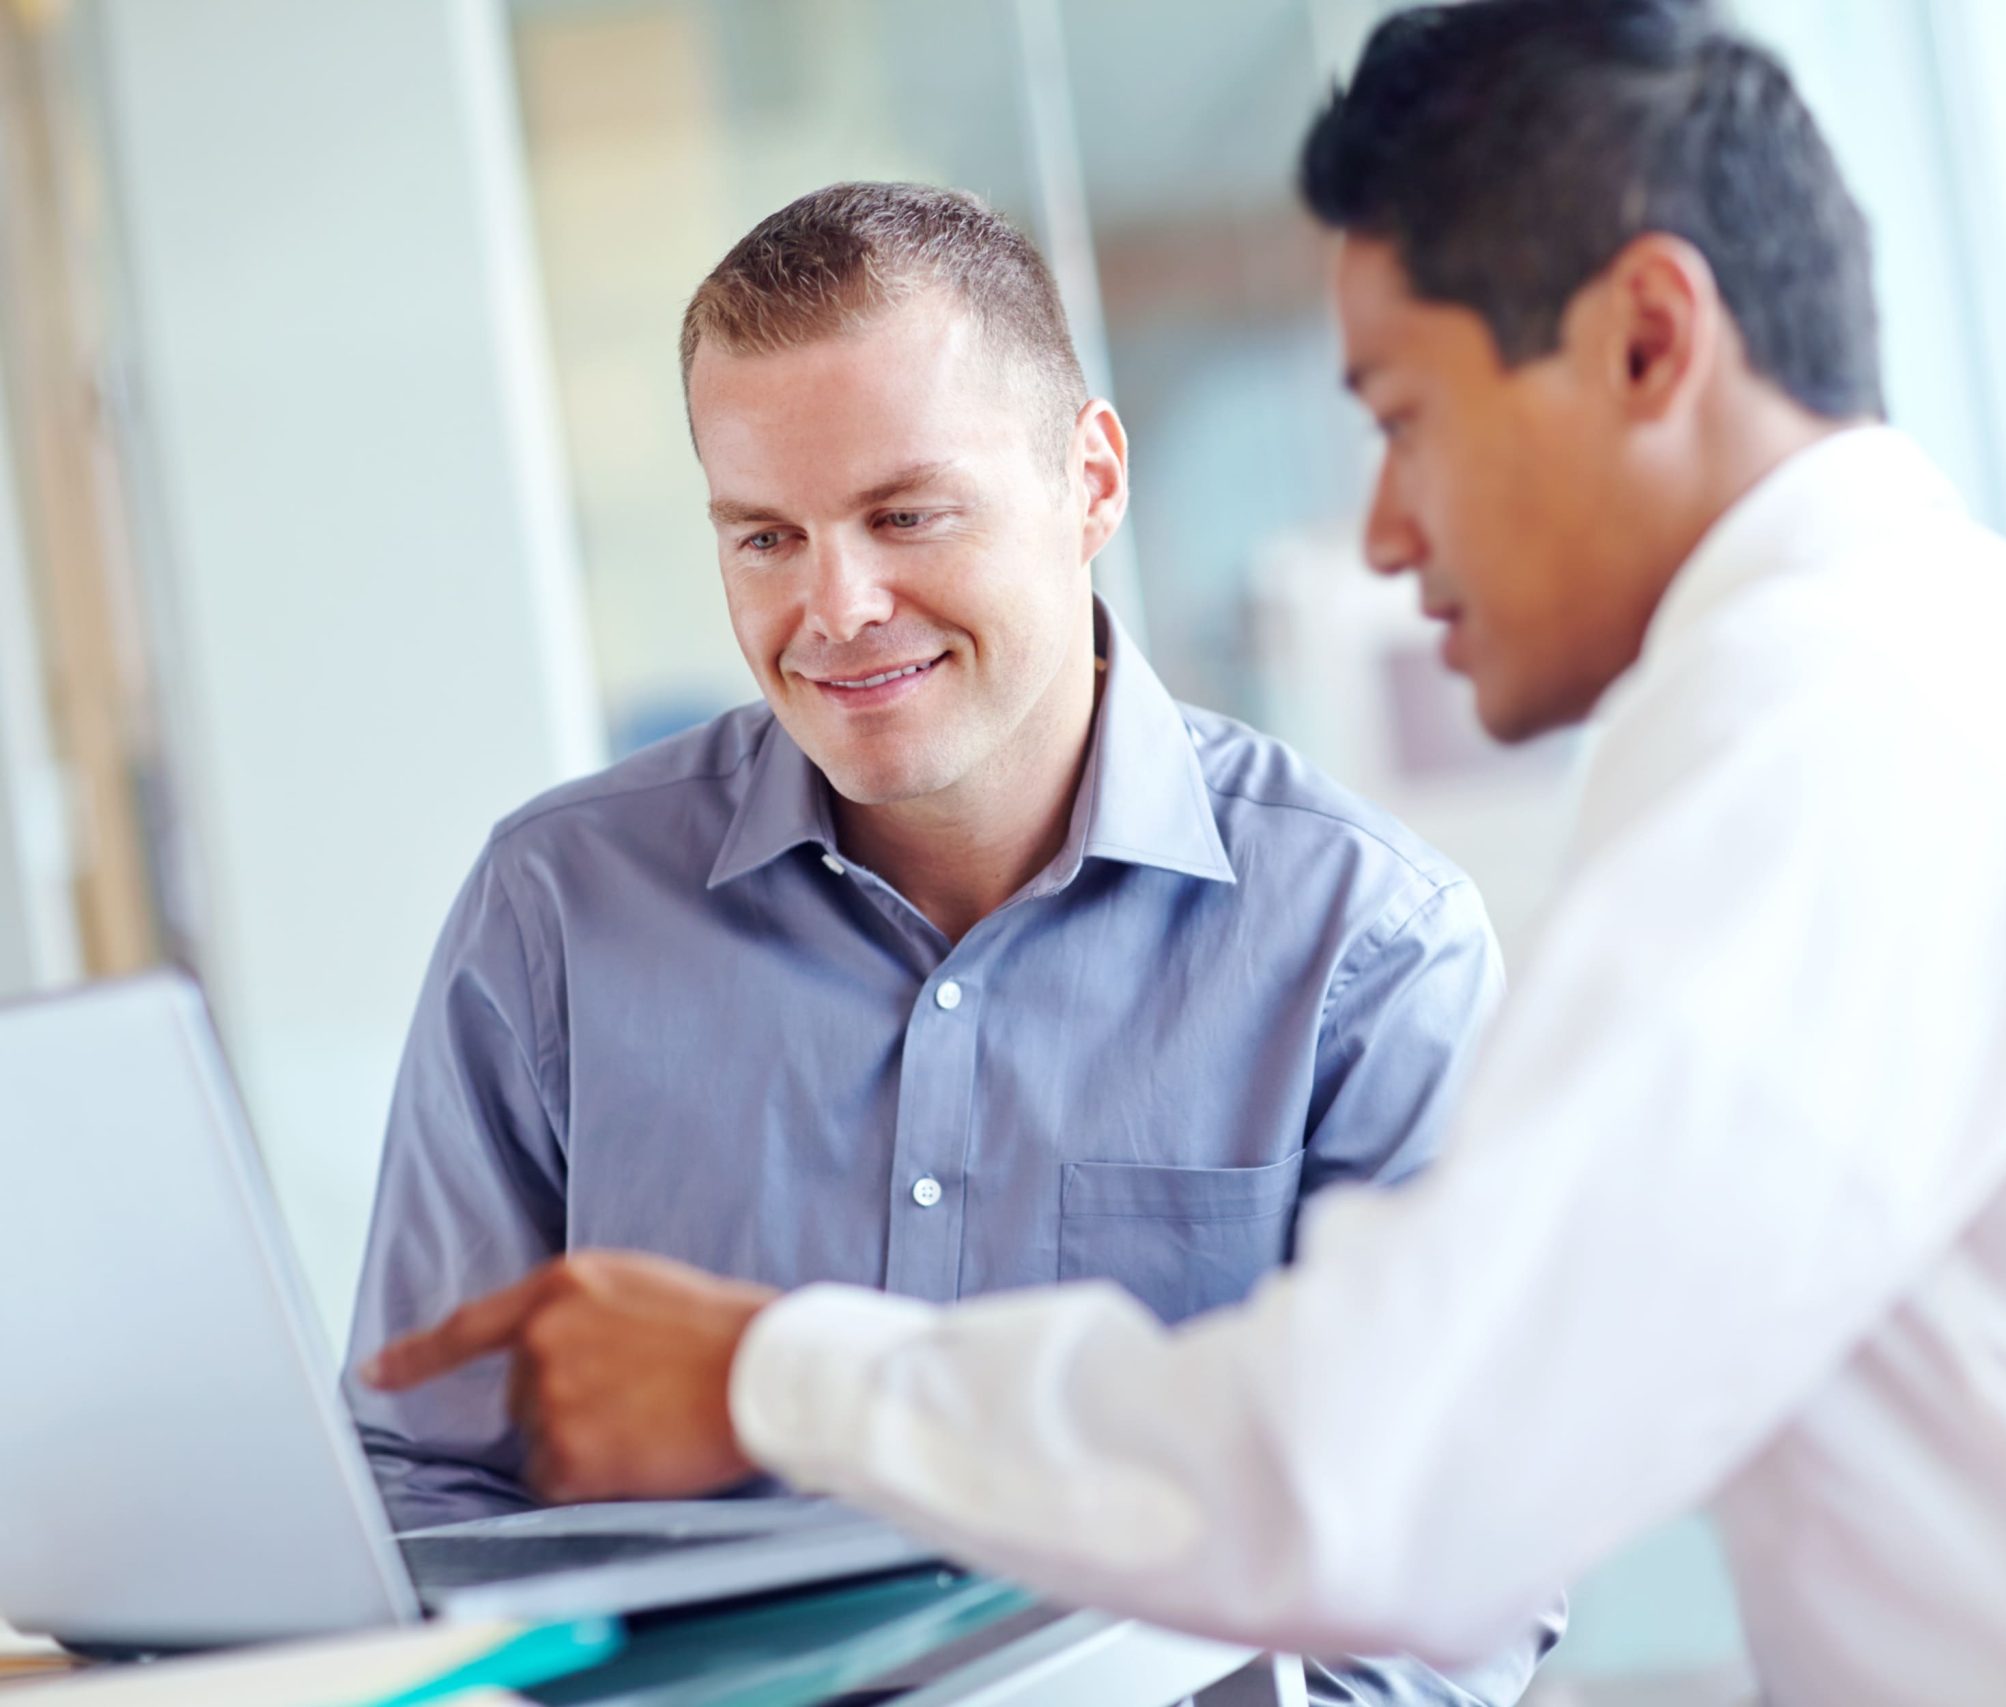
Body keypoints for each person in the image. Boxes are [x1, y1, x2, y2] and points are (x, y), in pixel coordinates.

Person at [368, 6, 2006, 1703]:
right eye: (765, 532)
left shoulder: (1844, 739)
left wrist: (760, 1369)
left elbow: (1391, 1472)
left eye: (1401, 415)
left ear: (1643, 339)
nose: (1381, 525)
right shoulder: (1936, 684)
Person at [343, 180, 1559, 1707]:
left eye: (905, 515)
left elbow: (1453, 1561)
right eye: (766, 536)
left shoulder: (1368, 947)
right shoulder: (557, 911)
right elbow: (421, 1487)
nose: (835, 606)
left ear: (1091, 480)